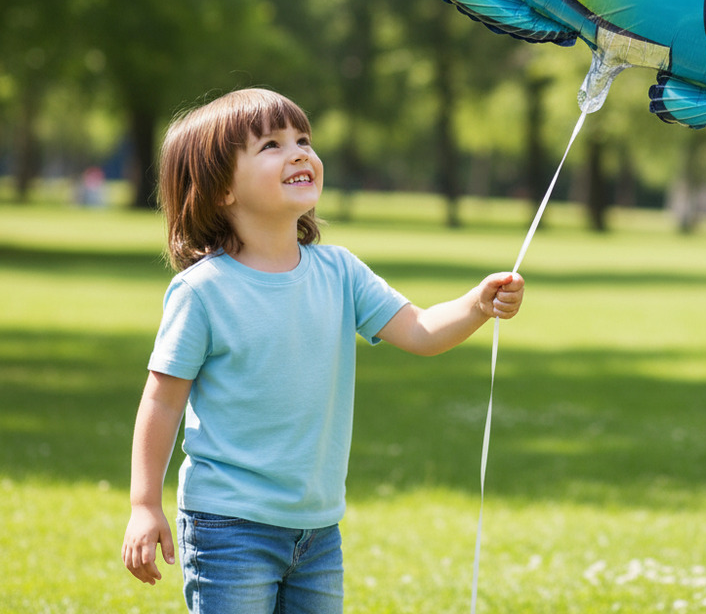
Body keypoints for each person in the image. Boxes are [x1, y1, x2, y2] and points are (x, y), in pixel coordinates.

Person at [121, 87, 524, 613]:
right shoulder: (204, 291)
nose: (299, 153)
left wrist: (476, 304)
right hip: (229, 524)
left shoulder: (339, 272)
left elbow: (421, 330)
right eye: (271, 144)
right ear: (221, 189)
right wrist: (144, 504)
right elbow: (162, 401)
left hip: (317, 527)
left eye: (303, 139)